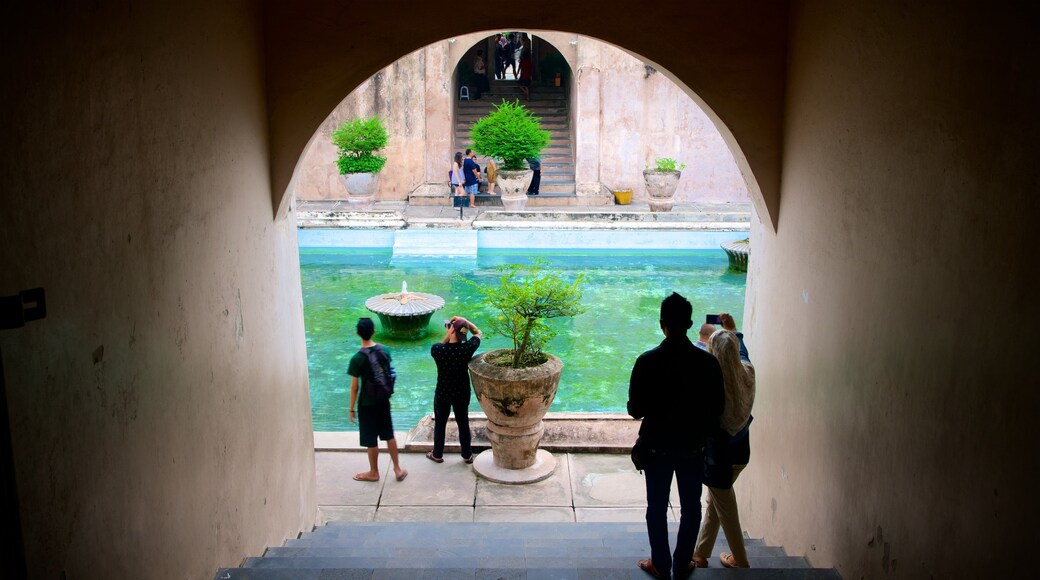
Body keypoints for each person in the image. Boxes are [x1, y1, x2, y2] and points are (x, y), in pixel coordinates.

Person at [628, 293, 725, 580]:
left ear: (662, 325)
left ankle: (660, 563)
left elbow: (636, 410)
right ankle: (682, 564)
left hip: (657, 447)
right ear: (690, 323)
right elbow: (717, 409)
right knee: (691, 508)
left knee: (656, 507)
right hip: (693, 448)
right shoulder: (708, 364)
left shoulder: (647, 361)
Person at [692, 312, 756, 569]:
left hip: (720, 458)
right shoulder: (748, 373)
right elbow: (742, 354)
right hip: (741, 452)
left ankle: (740, 561)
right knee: (715, 500)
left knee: (725, 508)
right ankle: (701, 552)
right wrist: (734, 331)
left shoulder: (710, 386)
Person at [348, 317, 408, 483]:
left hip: (367, 404)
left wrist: (351, 408)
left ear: (357, 333)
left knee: (371, 439)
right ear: (374, 331)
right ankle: (397, 469)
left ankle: (374, 472)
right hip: (383, 400)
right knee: (389, 434)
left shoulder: (357, 359)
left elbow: (354, 387)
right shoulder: (385, 350)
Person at [427, 316, 482, 463]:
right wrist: (465, 321)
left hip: (443, 393)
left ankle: (437, 454)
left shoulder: (437, 350)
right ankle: (467, 455)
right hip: (462, 392)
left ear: (451, 330)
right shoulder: (467, 348)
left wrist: (448, 336)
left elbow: (441, 344)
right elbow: (478, 333)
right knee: (463, 422)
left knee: (440, 423)